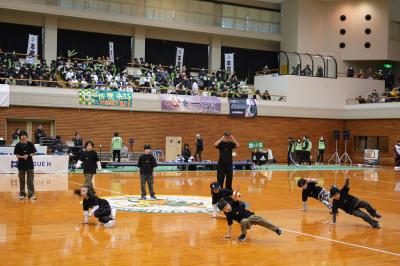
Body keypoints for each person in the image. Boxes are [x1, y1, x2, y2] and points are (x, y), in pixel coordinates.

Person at [217, 187, 282, 242]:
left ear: (228, 204)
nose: (227, 208)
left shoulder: (233, 203)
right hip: (246, 223)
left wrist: (236, 191)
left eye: (227, 206)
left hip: (250, 216)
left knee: (260, 219)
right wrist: (229, 234)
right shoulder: (228, 215)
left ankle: (276, 229)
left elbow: (234, 198)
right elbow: (229, 225)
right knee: (244, 221)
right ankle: (243, 235)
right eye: (225, 208)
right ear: (223, 211)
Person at [13, 131, 37, 200]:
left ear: (26, 136)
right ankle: (22, 194)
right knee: (22, 180)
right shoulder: (17, 145)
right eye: (22, 135)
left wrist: (28, 155)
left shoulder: (30, 144)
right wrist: (22, 157)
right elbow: (17, 155)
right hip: (21, 165)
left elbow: (33, 153)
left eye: (24, 135)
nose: (23, 137)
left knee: (30, 180)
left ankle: (31, 194)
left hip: (29, 164)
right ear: (20, 137)